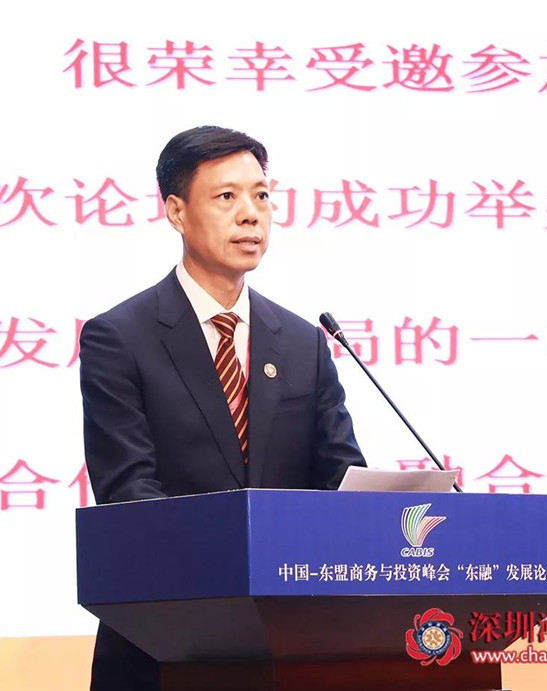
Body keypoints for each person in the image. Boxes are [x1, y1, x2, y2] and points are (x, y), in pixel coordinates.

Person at [79, 125, 366, 690]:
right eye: (227, 196)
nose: (251, 214)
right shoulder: (120, 337)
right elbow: (128, 491)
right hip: (166, 641)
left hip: (294, 646)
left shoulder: (303, 343)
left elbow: (339, 479)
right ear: (176, 212)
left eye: (261, 195)